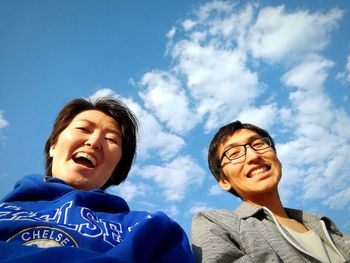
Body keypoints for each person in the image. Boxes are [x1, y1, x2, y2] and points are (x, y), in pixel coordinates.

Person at [0, 97, 193, 263]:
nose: (94, 142)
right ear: (53, 145)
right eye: (83, 128)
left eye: (111, 140)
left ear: (117, 168)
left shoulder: (152, 228)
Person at [192, 121, 350, 262]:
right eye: (234, 153)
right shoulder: (217, 224)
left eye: (259, 144)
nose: (253, 156)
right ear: (224, 181)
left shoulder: (328, 229)